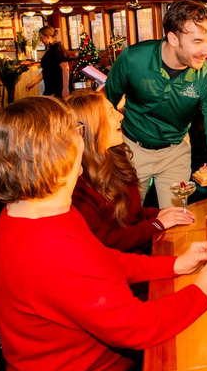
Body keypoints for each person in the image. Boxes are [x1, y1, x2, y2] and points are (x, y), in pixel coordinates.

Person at [0, 96, 207, 371]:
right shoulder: (49, 246)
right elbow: (138, 326)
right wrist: (203, 288)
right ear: (56, 153)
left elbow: (104, 260)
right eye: (73, 130)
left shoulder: (38, 210)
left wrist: (174, 264)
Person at [104, 0, 207, 208]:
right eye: (198, 41)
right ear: (173, 39)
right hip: (131, 149)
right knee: (125, 218)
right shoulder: (133, 60)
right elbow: (106, 106)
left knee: (176, 221)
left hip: (175, 151)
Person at [65, 90, 195, 253]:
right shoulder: (76, 185)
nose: (120, 116)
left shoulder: (116, 156)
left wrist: (159, 214)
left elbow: (131, 215)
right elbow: (106, 242)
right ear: (93, 127)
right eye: (111, 113)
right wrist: (157, 223)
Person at [25, 25, 70, 98]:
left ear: (48, 37)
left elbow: (65, 68)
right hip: (50, 88)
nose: (40, 40)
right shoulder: (51, 49)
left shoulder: (57, 48)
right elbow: (46, 70)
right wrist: (34, 82)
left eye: (41, 37)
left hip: (58, 88)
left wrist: (65, 88)